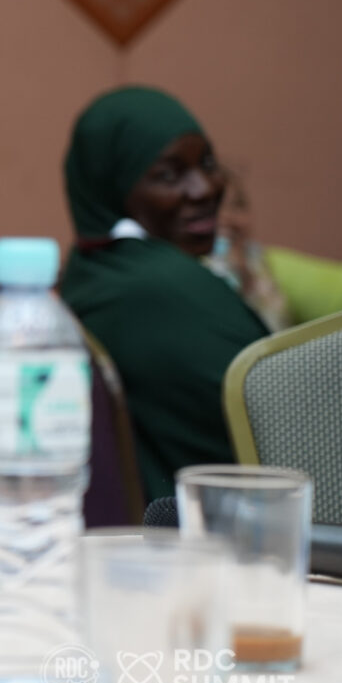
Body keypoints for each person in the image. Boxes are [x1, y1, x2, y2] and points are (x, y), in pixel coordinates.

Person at [58, 85, 268, 502]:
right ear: (111, 186)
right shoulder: (155, 290)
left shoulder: (94, 270)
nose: (204, 188)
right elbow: (283, 416)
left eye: (207, 163)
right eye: (168, 175)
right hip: (229, 524)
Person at [207, 166, 342, 329]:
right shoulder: (194, 273)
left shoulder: (263, 263)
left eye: (238, 205)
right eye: (212, 209)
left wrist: (245, 277)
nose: (227, 218)